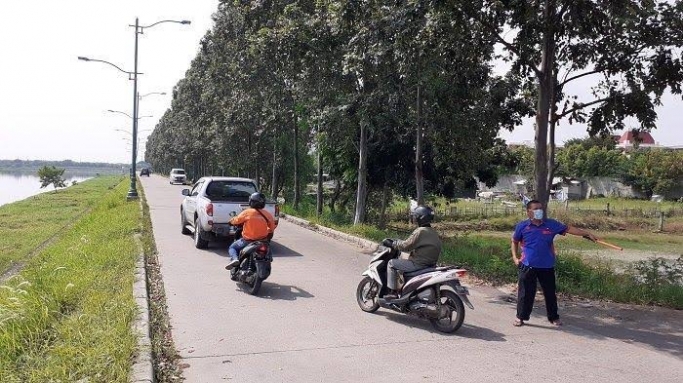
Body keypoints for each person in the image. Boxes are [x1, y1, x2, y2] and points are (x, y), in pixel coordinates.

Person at [511, 199, 598, 327]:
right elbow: (514, 241)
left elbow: (568, 229)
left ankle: (554, 317)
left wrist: (586, 233)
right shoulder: (522, 226)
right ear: (528, 212)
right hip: (527, 265)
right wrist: (515, 257)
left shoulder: (550, 224)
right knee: (525, 293)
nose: (539, 211)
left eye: (541, 208)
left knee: (550, 293)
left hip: (546, 266)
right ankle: (520, 317)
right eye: (535, 209)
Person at [382, 206, 442, 300]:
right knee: (403, 258)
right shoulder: (432, 232)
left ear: (420, 218)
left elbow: (406, 246)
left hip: (419, 264)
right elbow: (412, 244)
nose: (414, 218)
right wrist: (399, 242)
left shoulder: (420, 231)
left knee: (391, 263)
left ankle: (392, 292)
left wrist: (393, 243)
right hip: (430, 264)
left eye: (416, 216)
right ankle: (404, 287)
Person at [225, 192, 276, 270]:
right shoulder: (267, 214)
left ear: (252, 202)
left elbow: (237, 220)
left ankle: (234, 259)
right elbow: (271, 228)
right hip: (263, 241)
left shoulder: (247, 212)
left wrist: (231, 221)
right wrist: (266, 232)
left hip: (248, 241)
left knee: (232, 248)